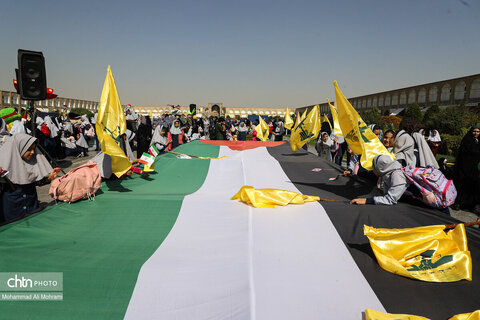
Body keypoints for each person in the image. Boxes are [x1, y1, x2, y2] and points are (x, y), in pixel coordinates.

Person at [0, 134, 61, 222]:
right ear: (18, 148)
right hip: (12, 209)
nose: (32, 152)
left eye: (33, 149)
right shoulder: (4, 165)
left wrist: (48, 178)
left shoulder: (32, 163)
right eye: (29, 149)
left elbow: (36, 181)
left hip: (31, 204)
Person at [454, 126, 480, 214]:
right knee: (462, 186)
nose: (476, 133)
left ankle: (467, 205)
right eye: (474, 131)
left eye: (478, 131)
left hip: (474, 169)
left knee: (472, 186)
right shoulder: (466, 140)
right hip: (464, 168)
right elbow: (464, 154)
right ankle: (458, 203)